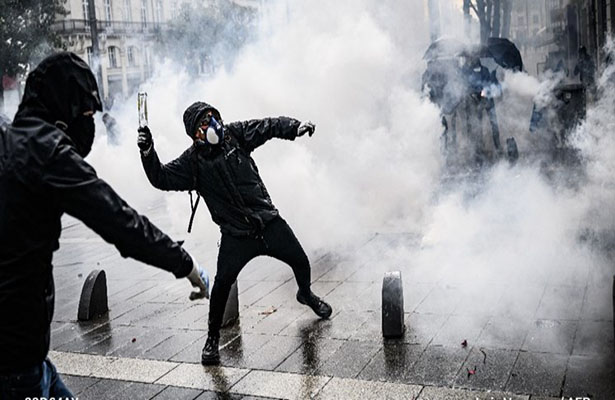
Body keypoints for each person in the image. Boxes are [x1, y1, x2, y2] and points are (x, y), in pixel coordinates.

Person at [0, 52, 210, 399]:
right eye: (85, 113)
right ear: (64, 109)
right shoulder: (47, 151)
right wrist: (185, 263)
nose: (90, 123)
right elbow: (119, 221)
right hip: (16, 362)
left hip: (29, 356)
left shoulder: (12, 141)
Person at [137, 101, 333, 365]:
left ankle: (306, 294)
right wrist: (148, 151)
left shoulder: (235, 135)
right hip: (236, 236)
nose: (213, 125)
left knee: (300, 261)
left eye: (213, 117)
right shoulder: (192, 163)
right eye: (204, 123)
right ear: (195, 133)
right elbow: (160, 177)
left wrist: (294, 127)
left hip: (268, 222)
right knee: (220, 288)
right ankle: (212, 340)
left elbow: (267, 126)